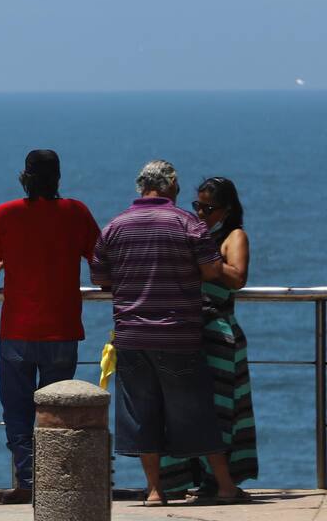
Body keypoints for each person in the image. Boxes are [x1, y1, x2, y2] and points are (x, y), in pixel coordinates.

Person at [90, 160, 250, 506]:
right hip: (179, 333)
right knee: (195, 412)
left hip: (131, 335)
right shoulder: (186, 222)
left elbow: (100, 277)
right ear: (172, 185)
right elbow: (210, 269)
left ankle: (155, 491)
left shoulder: (115, 226)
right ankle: (224, 485)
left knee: (144, 415)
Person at [0, 149, 100, 504]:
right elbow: (102, 260)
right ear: (58, 179)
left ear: (24, 178)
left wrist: (2, 262)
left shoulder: (6, 213)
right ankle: (59, 482)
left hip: (17, 330)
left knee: (17, 410)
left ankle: (28, 482)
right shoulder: (76, 212)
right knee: (58, 410)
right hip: (62, 328)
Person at [160, 176, 258, 497]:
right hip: (190, 330)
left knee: (222, 408)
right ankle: (188, 478)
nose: (201, 213)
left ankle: (221, 480)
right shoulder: (195, 234)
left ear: (227, 210)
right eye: (197, 206)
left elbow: (238, 278)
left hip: (219, 332)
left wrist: (209, 262)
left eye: (209, 208)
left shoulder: (234, 236)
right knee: (188, 406)